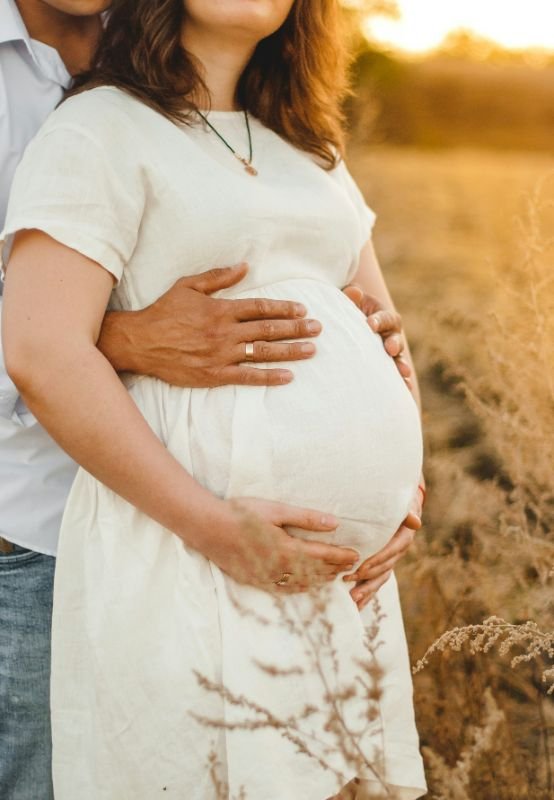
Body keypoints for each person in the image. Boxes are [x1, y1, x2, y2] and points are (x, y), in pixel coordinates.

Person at [1, 0, 427, 797]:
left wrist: (404, 496)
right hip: (179, 549)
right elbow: (40, 347)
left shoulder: (314, 148)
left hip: (330, 580)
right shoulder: (101, 127)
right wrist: (216, 527)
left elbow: (382, 332)